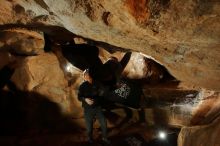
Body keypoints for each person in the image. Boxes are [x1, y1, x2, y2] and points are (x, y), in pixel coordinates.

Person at [78, 69, 111, 144]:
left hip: (97, 108)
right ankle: (90, 139)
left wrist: (100, 94)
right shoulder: (82, 86)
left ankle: (105, 138)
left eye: (87, 75)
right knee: (89, 127)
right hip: (88, 109)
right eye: (85, 75)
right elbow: (79, 97)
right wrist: (85, 99)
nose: (86, 77)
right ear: (84, 76)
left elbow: (103, 91)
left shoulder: (97, 83)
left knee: (103, 123)